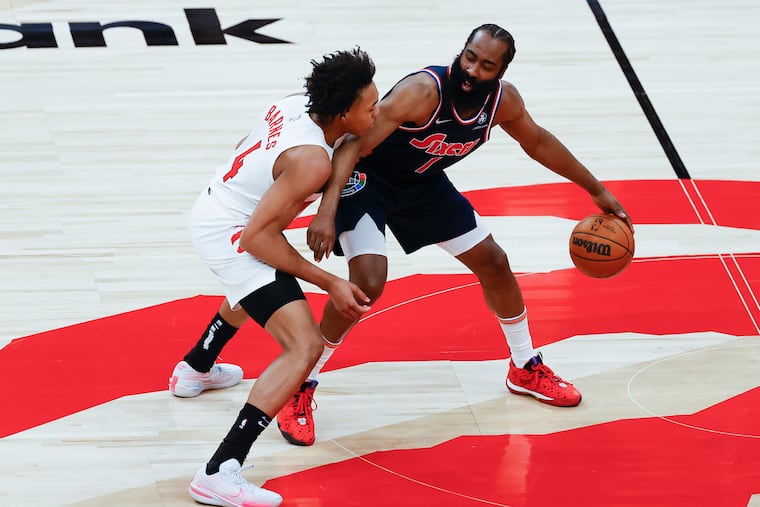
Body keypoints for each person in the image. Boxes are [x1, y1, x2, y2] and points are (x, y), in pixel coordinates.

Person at [273, 22, 634, 445]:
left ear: (499, 71)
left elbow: (537, 142)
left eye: (485, 65)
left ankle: (524, 366)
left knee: (494, 262)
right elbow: (353, 144)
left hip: (423, 187)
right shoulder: (423, 91)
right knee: (368, 282)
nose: (472, 70)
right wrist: (328, 208)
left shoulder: (503, 103)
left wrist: (596, 189)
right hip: (367, 180)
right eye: (468, 57)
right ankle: (299, 383)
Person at [175, 47, 379, 507]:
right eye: (371, 106)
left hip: (214, 203)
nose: (378, 111)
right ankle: (219, 470)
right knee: (303, 345)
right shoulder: (311, 162)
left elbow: (244, 149)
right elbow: (256, 241)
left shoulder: (293, 104)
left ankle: (195, 368)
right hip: (233, 233)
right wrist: (329, 281)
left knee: (258, 288)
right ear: (343, 112)